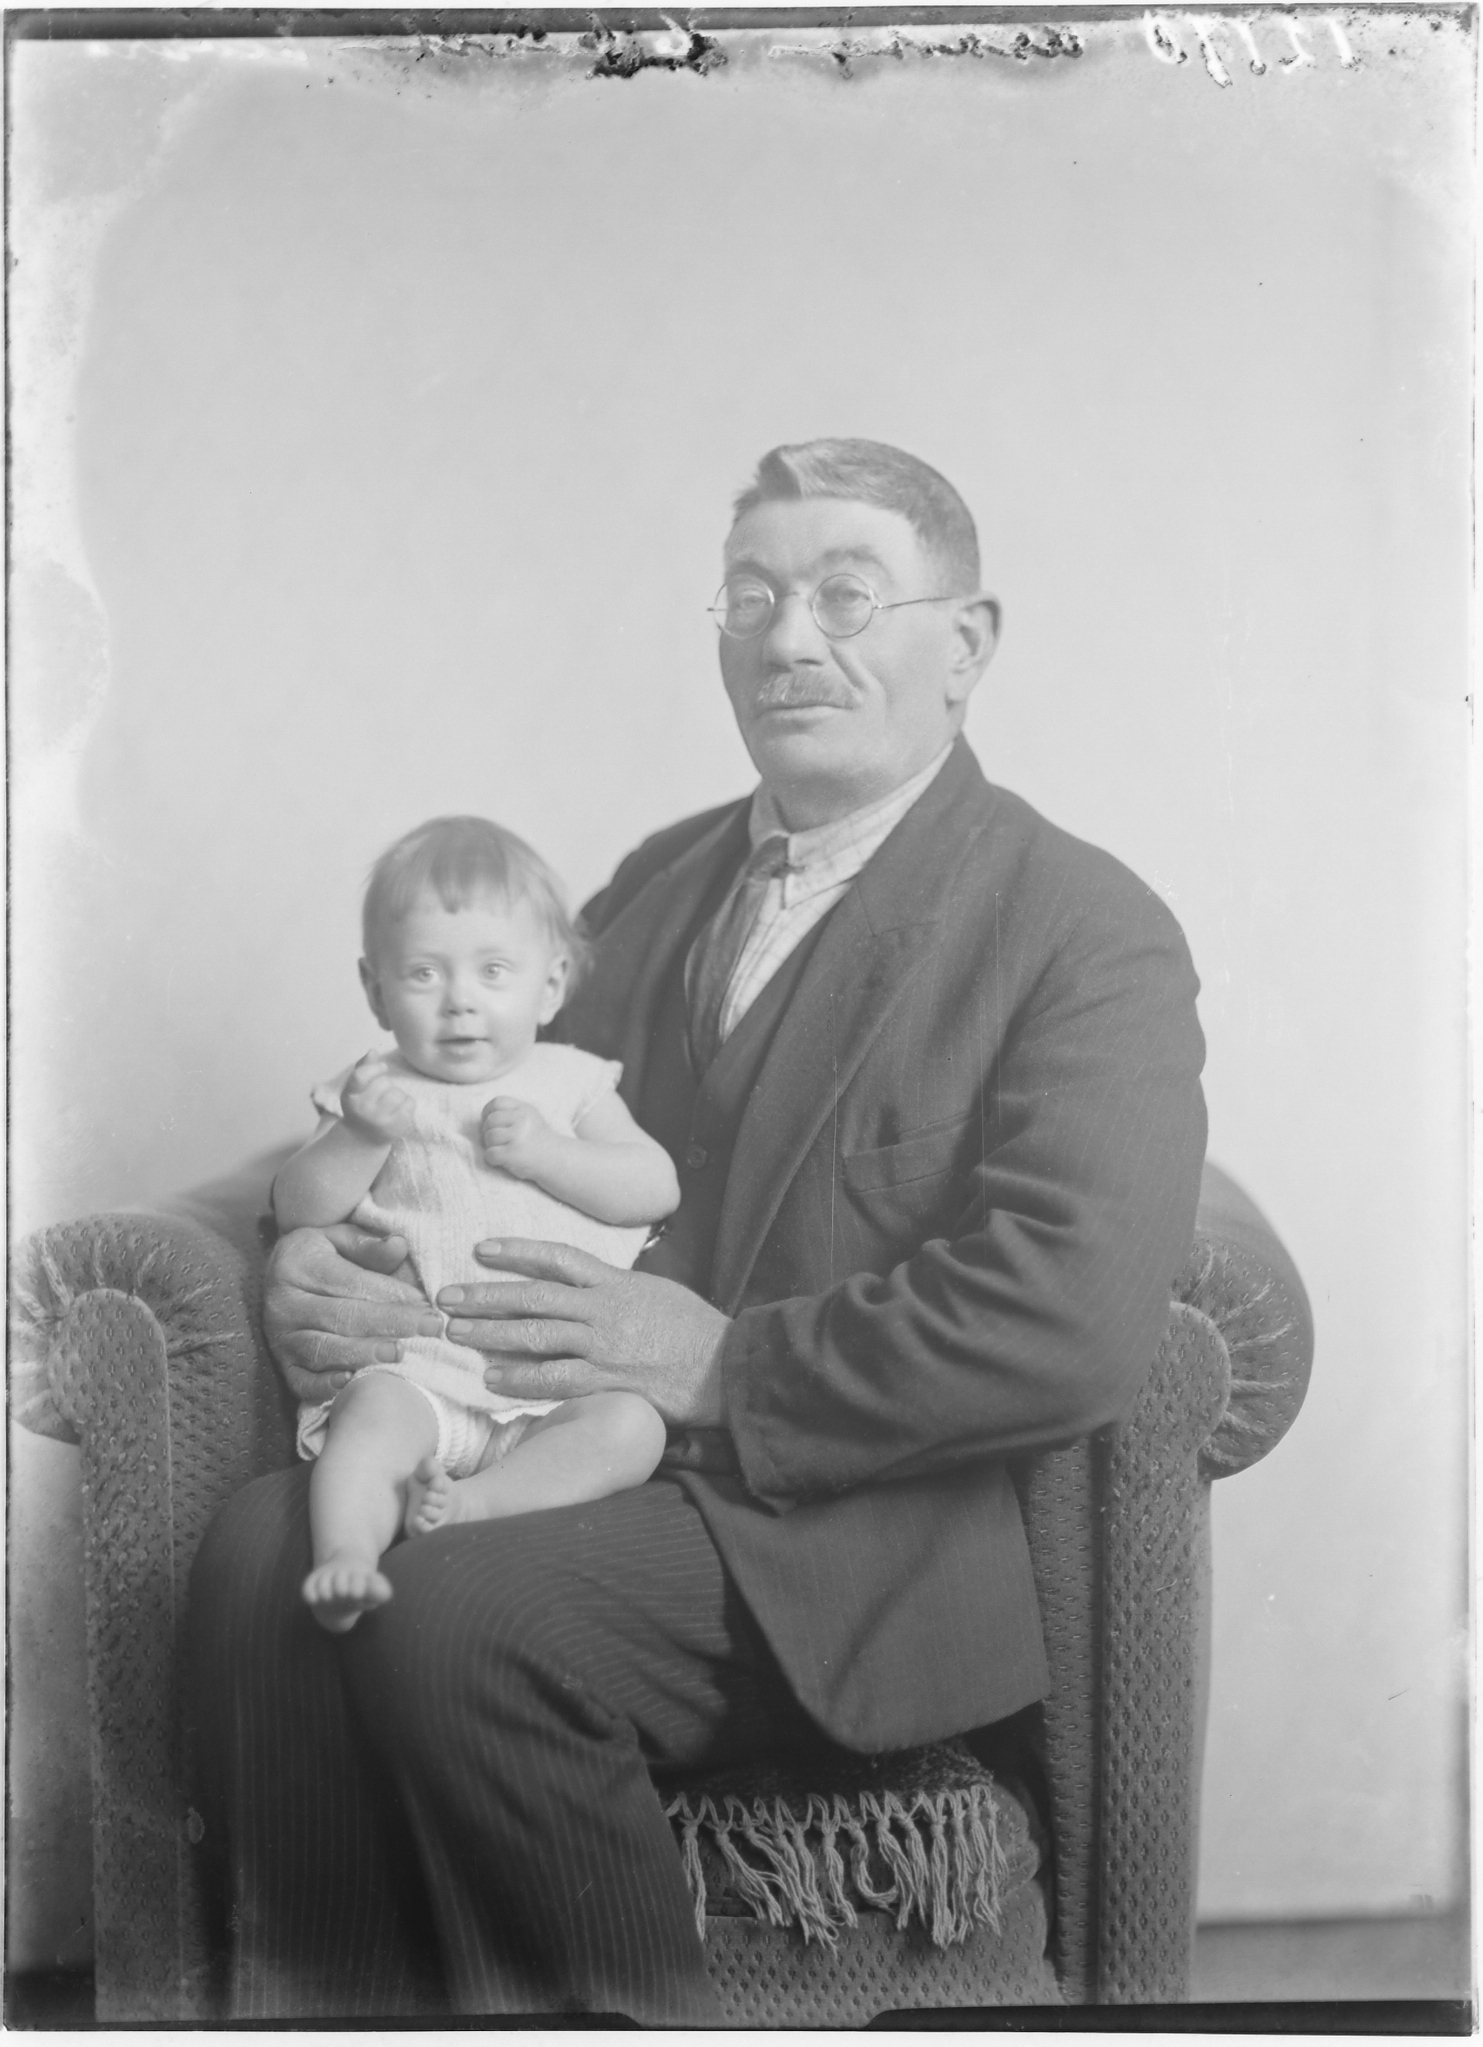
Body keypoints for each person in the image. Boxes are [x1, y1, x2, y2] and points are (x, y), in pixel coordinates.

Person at [187, 438, 1207, 2023]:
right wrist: (312, 1257)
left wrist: (722, 1363)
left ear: (966, 643)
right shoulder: (661, 882)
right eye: (751, 595)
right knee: (264, 1559)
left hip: (843, 1533)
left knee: (463, 1616)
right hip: (576, 1444)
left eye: (845, 595)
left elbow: (1065, 1315)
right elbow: (455, 1101)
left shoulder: (1081, 927)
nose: (787, 637)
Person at [273, 816, 679, 1632]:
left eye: (493, 970)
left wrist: (549, 1154)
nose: (459, 1000)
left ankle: (474, 1504)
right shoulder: (370, 1090)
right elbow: (299, 1208)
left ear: (550, 984)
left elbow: (653, 1185)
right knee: (369, 1422)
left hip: (554, 1383)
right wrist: (360, 1136)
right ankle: (346, 1558)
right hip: (422, 1371)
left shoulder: (572, 1082)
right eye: (424, 973)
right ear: (374, 990)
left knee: (630, 1427)